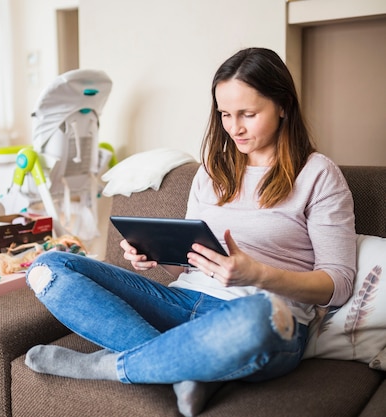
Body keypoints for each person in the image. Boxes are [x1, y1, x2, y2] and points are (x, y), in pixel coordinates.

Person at [22, 47, 357, 417]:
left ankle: (108, 366)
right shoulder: (212, 172)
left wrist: (257, 274)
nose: (235, 128)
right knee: (49, 267)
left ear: (283, 106)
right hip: (182, 303)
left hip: (260, 314)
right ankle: (184, 368)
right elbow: (186, 268)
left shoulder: (319, 175)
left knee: (258, 317)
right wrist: (158, 256)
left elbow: (338, 286)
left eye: (248, 114)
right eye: (225, 114)